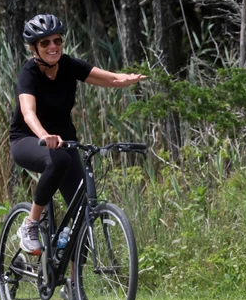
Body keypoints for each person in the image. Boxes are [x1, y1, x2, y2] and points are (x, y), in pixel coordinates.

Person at [9, 13, 146, 257]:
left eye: (57, 41)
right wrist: (45, 135)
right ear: (34, 48)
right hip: (28, 139)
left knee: (83, 216)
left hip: (65, 142)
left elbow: (109, 78)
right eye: (45, 43)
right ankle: (30, 225)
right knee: (58, 159)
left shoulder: (69, 65)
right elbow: (28, 113)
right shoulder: (28, 73)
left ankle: (71, 287)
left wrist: (125, 80)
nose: (53, 47)